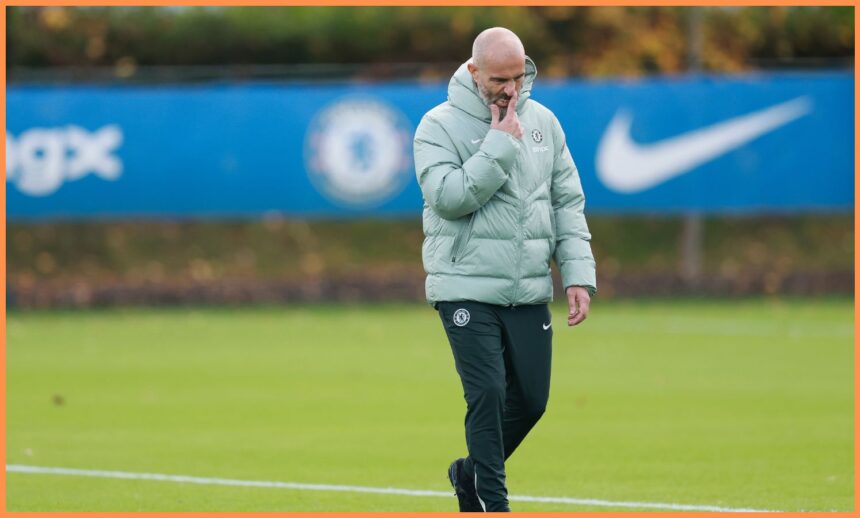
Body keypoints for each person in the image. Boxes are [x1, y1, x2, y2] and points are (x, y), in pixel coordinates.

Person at [413, 27, 597, 512]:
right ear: (474, 72)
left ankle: (469, 473)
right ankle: (492, 504)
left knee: (532, 401)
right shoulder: (437, 125)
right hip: (464, 287)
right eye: (499, 79)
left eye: (518, 77)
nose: (510, 89)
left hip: (528, 287)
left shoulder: (544, 123)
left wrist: (577, 274)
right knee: (489, 393)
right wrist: (497, 144)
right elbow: (448, 198)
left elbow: (566, 201)